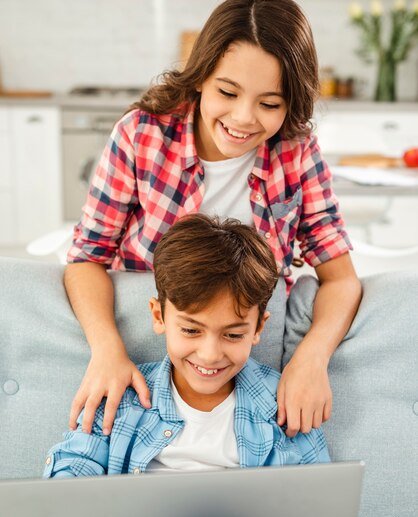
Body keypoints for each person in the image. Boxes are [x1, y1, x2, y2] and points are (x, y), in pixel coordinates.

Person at [12, 215, 364, 517]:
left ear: (258, 329)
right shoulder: (123, 396)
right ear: (159, 316)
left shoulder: (285, 407)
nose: (210, 355)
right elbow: (71, 477)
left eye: (232, 335)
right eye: (191, 330)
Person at [65, 0, 362, 440]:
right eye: (227, 92)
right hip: (156, 349)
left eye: (269, 103)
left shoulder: (297, 153)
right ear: (201, 75)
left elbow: (341, 278)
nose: (243, 118)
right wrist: (107, 349)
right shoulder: (141, 134)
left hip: (246, 359)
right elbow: (86, 257)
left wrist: (312, 358)